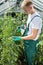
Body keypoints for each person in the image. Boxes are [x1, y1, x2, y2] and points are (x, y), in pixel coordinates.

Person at [9, 0, 42, 65]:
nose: (25, 12)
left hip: (31, 43)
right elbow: (29, 26)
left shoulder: (36, 19)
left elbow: (33, 36)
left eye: (25, 10)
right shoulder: (30, 14)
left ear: (30, 7)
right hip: (27, 41)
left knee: (31, 60)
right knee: (27, 57)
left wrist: (20, 38)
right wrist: (22, 27)